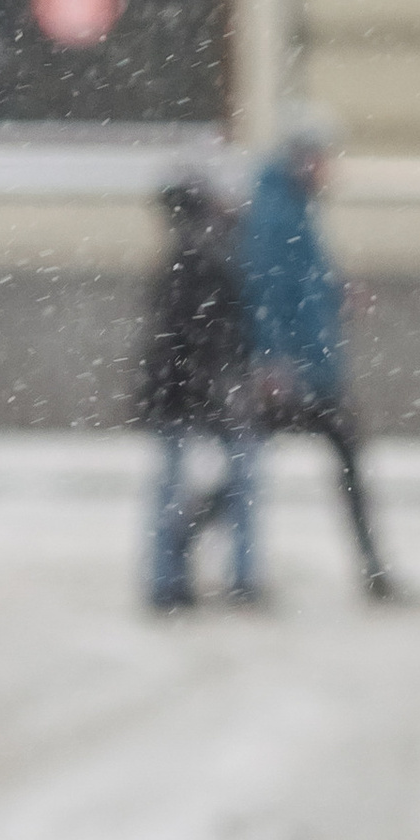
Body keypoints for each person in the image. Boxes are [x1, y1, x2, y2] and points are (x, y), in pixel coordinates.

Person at [239, 113, 399, 602]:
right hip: (295, 371)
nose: (329, 168)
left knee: (256, 463)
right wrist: (270, 359)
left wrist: (338, 293)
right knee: (328, 460)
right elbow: (264, 291)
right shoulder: (274, 213)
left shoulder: (294, 207)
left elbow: (304, 284)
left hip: (310, 366)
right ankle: (374, 574)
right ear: (302, 158)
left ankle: (374, 573)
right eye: (323, 158)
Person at [140, 172, 258, 609]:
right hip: (203, 386)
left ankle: (169, 579)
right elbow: (215, 326)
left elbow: (174, 330)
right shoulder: (213, 251)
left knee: (174, 488)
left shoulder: (187, 254)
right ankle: (232, 578)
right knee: (237, 478)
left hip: (182, 388)